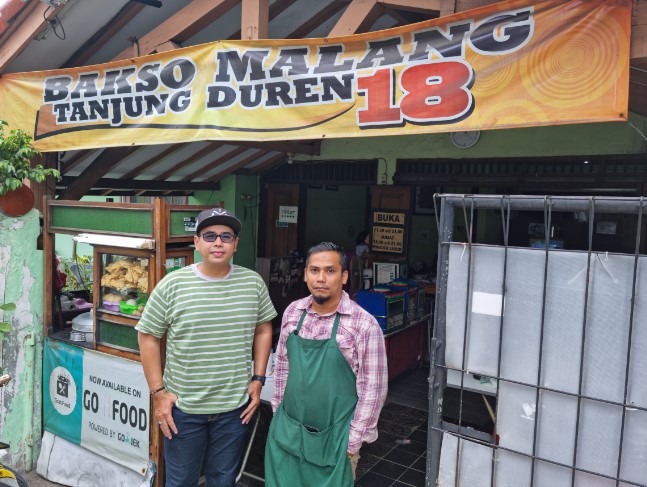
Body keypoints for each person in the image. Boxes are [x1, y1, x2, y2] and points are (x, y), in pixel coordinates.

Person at [136, 208, 277, 487]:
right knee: (181, 481)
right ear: (197, 242)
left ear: (235, 244)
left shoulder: (252, 283)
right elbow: (148, 336)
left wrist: (258, 378)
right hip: (184, 409)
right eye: (210, 235)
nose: (218, 242)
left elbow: (263, 328)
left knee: (223, 480)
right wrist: (158, 393)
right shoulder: (173, 284)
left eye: (226, 236)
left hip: (235, 408)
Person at [265, 242, 388, 486]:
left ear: (344, 276)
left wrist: (351, 443)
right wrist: (278, 415)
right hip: (288, 433)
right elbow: (282, 368)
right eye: (314, 270)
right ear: (305, 274)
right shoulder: (293, 312)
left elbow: (373, 391)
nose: (321, 278)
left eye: (330, 271)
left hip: (336, 441)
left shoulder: (363, 325)